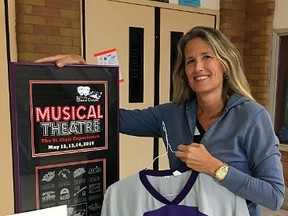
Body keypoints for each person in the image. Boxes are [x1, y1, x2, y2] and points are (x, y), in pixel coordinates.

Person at [35, 26, 285, 216]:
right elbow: (113, 119)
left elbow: (274, 196)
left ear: (225, 64)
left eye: (207, 57)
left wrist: (214, 167)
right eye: (190, 61)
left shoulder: (252, 117)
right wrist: (84, 76)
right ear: (184, 71)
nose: (198, 67)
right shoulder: (171, 115)